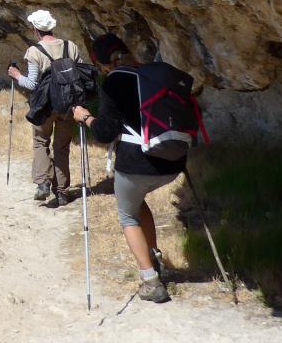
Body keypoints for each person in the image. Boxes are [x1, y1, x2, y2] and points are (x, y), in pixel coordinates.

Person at [74, 34, 197, 304]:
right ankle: (154, 257)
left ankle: (150, 280)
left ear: (102, 62)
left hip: (137, 165)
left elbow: (106, 133)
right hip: (173, 160)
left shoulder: (116, 80)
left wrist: (86, 117)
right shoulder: (152, 73)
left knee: (128, 216)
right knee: (138, 204)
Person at [7, 9, 82, 208]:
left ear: (35, 30)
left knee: (41, 141)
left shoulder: (34, 52)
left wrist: (16, 75)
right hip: (67, 105)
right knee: (62, 148)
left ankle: (43, 183)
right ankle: (63, 192)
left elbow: (31, 84)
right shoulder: (70, 47)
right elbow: (80, 74)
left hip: (44, 106)